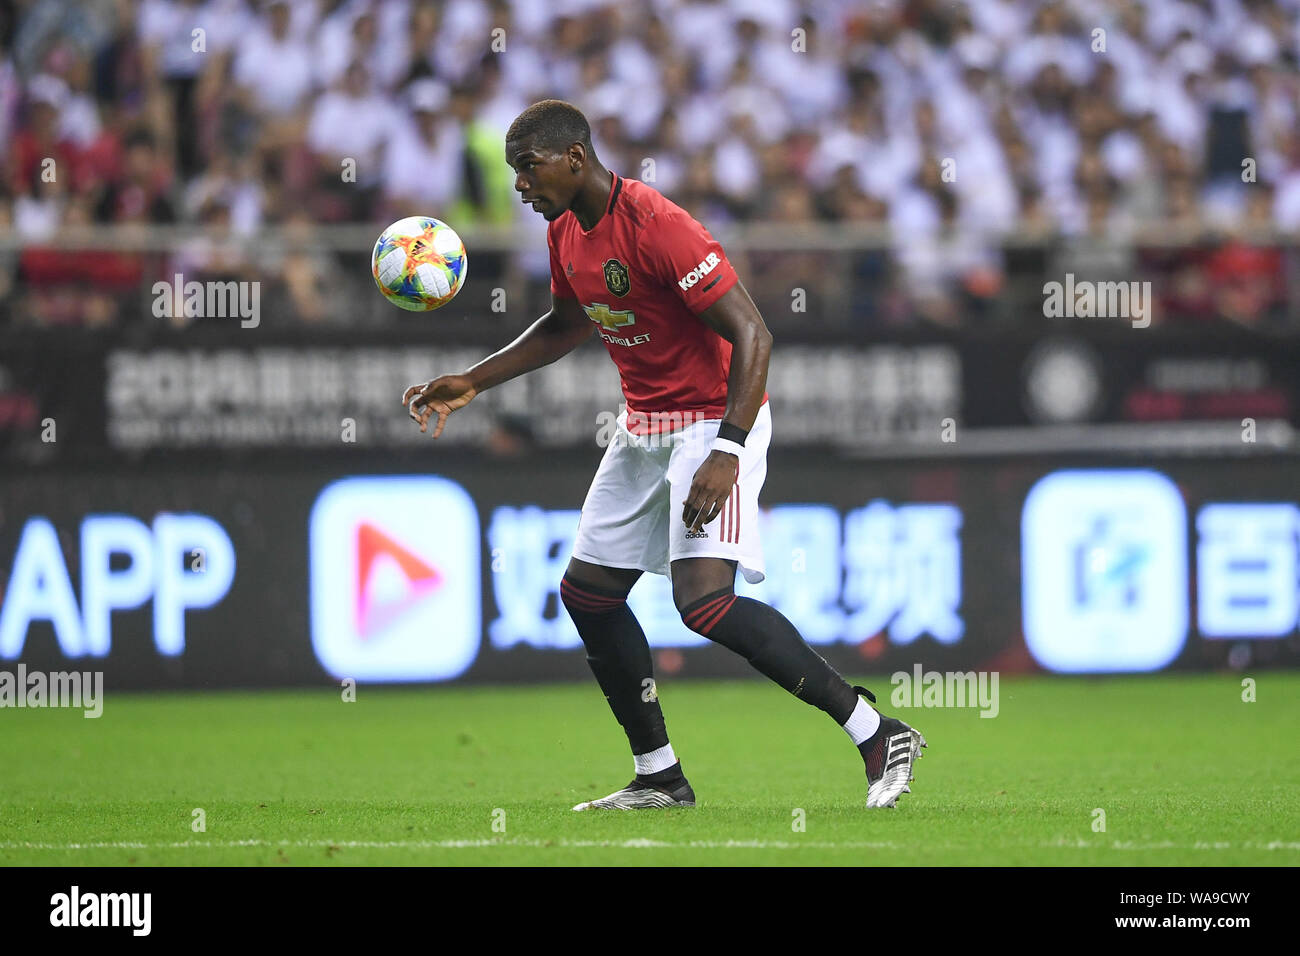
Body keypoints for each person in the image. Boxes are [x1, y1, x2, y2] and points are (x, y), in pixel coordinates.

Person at [403, 100, 926, 810]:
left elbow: (754, 334)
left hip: (714, 419)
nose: (520, 185)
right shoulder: (565, 230)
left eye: (528, 168)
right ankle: (660, 776)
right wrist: (474, 380)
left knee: (705, 603)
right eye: (514, 171)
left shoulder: (658, 225)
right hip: (644, 425)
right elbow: (565, 324)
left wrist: (728, 449)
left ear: (575, 159)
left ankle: (877, 732)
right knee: (588, 595)